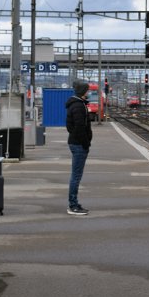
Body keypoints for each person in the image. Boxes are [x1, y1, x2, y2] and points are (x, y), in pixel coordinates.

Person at [65, 79, 93, 215]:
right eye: (87, 90)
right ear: (83, 91)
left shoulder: (78, 104)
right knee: (76, 176)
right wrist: (85, 143)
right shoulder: (78, 106)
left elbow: (70, 126)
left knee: (76, 175)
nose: (89, 92)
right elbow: (79, 127)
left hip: (76, 143)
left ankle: (74, 203)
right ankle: (73, 205)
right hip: (78, 145)